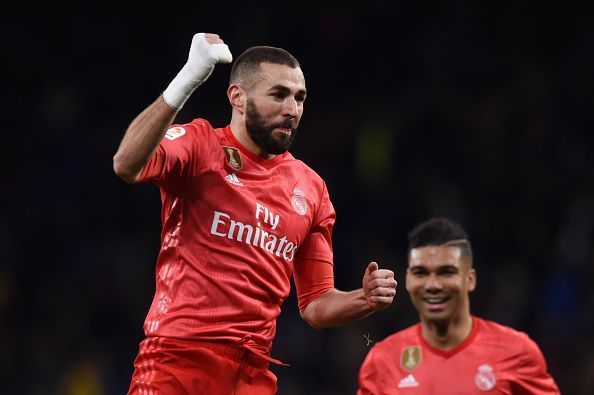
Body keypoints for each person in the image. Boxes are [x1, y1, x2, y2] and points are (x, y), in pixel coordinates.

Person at [113, 32, 397, 395]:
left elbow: (315, 304)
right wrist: (188, 77)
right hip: (177, 360)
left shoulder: (311, 189)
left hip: (251, 376)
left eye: (300, 98)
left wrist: (364, 299)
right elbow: (127, 164)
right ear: (238, 98)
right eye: (278, 95)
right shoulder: (201, 144)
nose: (292, 109)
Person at [357, 218, 560, 394]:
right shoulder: (383, 360)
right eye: (421, 273)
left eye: (446, 272)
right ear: (409, 280)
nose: (433, 285)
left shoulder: (517, 352)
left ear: (469, 279)